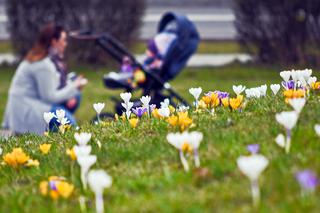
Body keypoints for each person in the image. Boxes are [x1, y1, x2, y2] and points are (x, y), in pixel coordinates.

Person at [2, 23, 87, 135]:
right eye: (64, 40)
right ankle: (55, 132)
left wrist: (73, 88)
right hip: (26, 109)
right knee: (70, 122)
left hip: (28, 103)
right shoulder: (43, 64)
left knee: (75, 96)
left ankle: (56, 129)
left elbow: (55, 83)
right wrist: (74, 87)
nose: (65, 44)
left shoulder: (45, 57)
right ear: (54, 42)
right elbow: (49, 97)